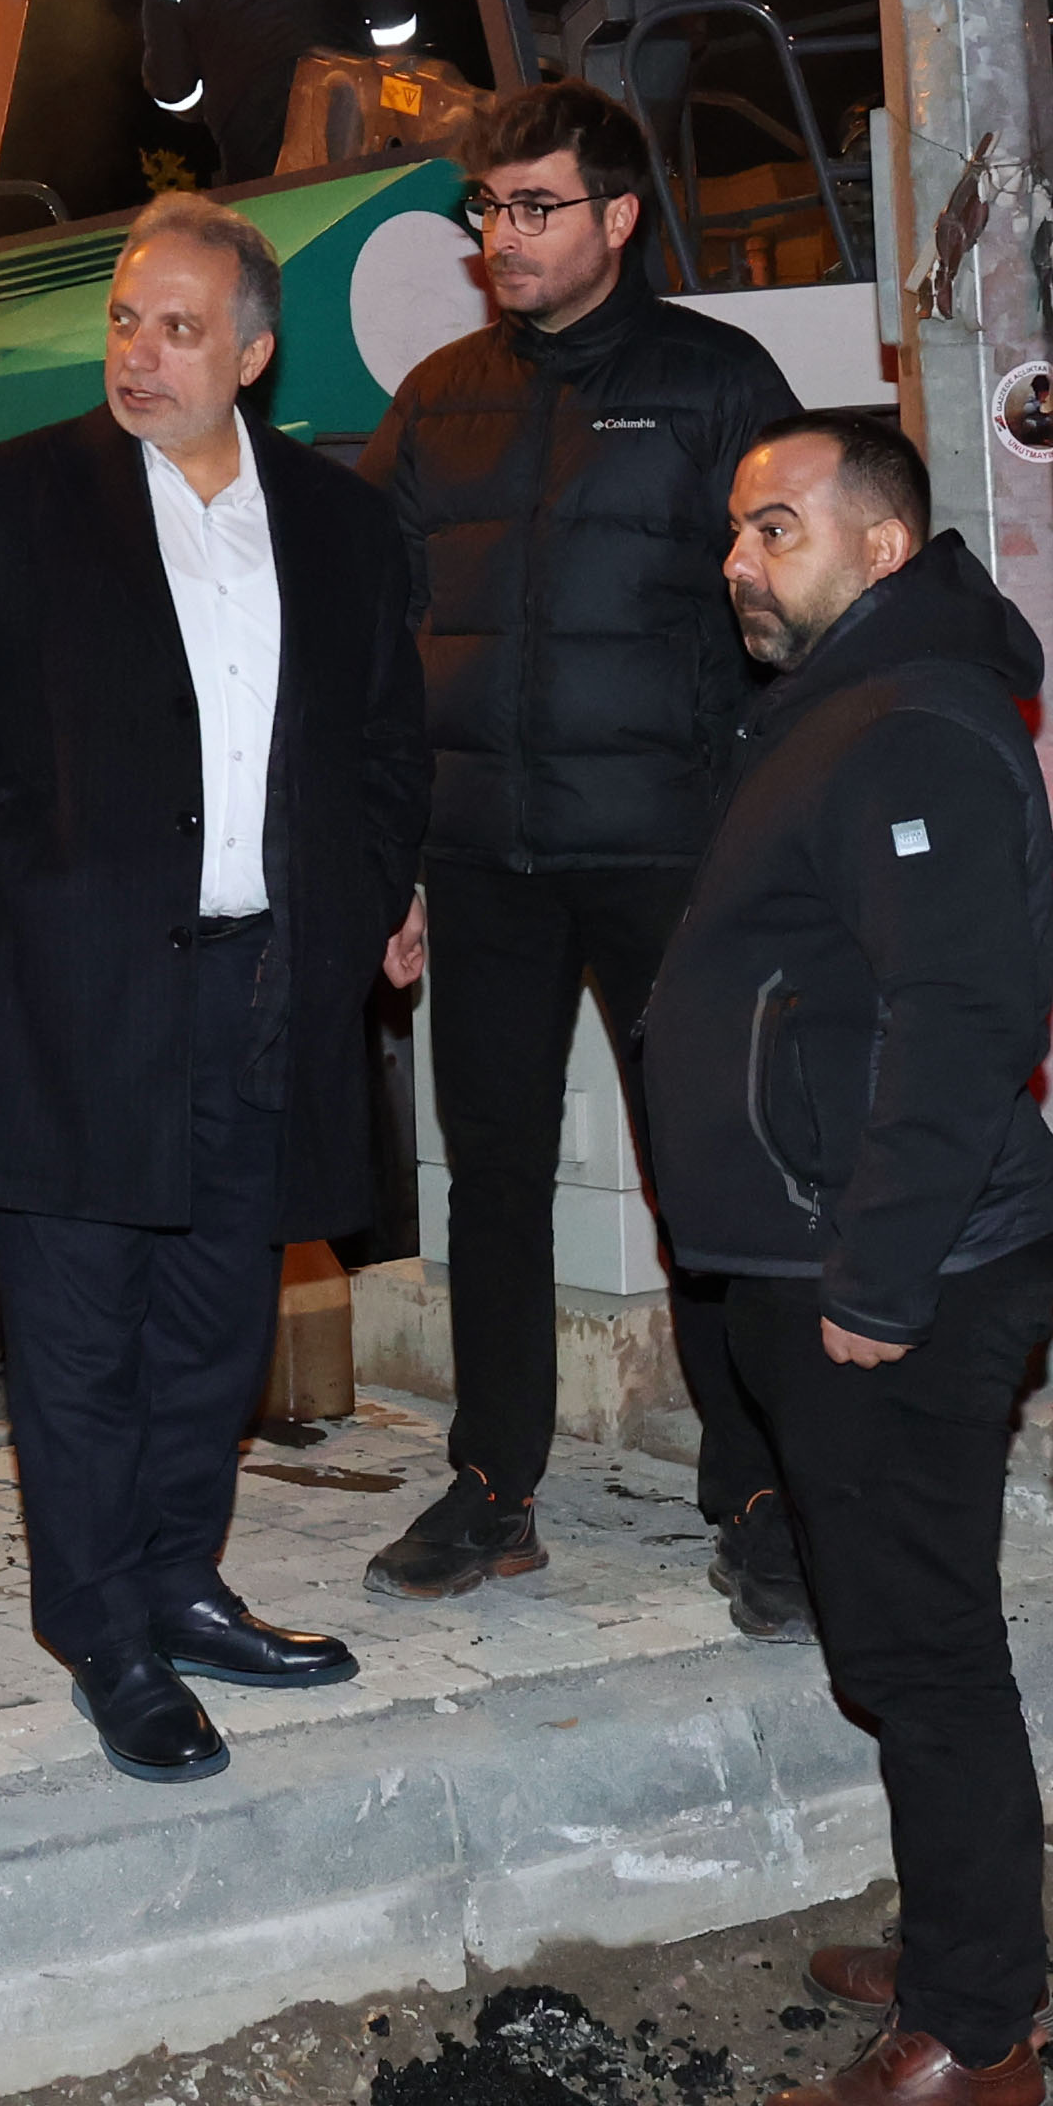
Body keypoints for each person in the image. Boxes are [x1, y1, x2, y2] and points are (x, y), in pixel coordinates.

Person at [0, 193, 432, 1785]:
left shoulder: (333, 519)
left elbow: (387, 742)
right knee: (79, 1327)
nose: (140, 354)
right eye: (124, 320)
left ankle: (182, 1581)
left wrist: (376, 897)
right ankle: (100, 1628)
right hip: (84, 985)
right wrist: (15, 872)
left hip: (270, 981)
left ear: (250, 353)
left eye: (180, 328)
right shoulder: (16, 499)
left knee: (213, 1322)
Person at [644, 410, 1053, 2106]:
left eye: (775, 530)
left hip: (891, 1272)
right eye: (735, 535)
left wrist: (881, 1275)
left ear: (882, 549)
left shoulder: (908, 728)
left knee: (926, 1645)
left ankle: (977, 2030)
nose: (738, 562)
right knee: (897, 1636)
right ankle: (962, 1942)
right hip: (820, 1255)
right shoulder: (839, 710)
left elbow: (966, 1021)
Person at [352, 82, 807, 1624]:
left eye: (535, 208)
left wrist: (763, 838)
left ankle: (753, 1487)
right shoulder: (440, 397)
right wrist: (391, 858)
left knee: (710, 1177)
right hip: (481, 857)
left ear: (619, 216)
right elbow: (375, 639)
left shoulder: (716, 385)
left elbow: (789, 629)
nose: (503, 239)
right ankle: (495, 1484)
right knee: (489, 1178)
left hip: (671, 857)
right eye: (489, 210)